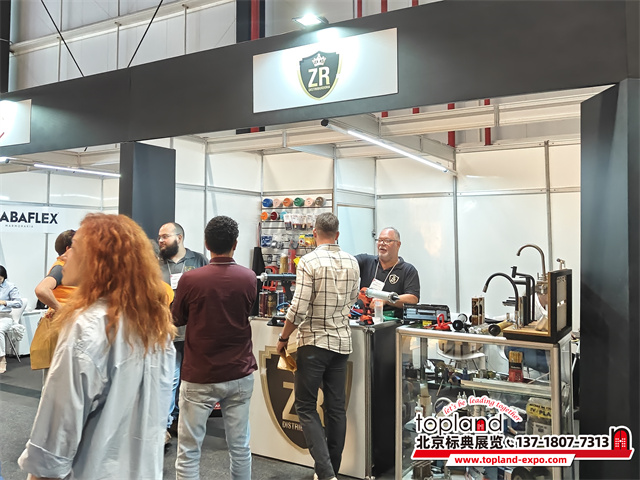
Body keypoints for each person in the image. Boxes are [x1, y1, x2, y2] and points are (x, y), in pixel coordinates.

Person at [18, 213, 176, 480]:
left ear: (97, 260)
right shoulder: (156, 329)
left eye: (74, 247)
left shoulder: (86, 328)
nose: (65, 255)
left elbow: (54, 443)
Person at [172, 215, 257, 480]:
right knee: (240, 447)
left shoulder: (190, 280)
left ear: (206, 244)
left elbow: (177, 318)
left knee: (188, 450)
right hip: (239, 372)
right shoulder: (249, 277)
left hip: (200, 373)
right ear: (235, 244)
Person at [276, 212, 360, 480]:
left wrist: (283, 338)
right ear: (337, 234)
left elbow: (298, 307)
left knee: (305, 406)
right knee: (335, 409)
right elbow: (353, 300)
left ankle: (325, 473)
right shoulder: (353, 261)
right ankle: (330, 470)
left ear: (314, 233)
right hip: (341, 343)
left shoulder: (309, 261)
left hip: (313, 342)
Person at [158, 221, 208, 443]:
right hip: (166, 332)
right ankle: (164, 426)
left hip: (194, 332)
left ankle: (183, 421)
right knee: (171, 378)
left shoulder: (198, 260)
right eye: (159, 237)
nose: (161, 240)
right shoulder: (155, 264)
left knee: (192, 380)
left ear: (179, 238)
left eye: (165, 236)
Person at [32, 230, 77, 377]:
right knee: (57, 375)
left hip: (69, 325)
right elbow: (41, 290)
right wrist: (61, 309)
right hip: (63, 325)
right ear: (68, 249)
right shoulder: (61, 267)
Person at [356, 227, 420, 318]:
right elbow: (347, 262)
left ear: (398, 244)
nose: (382, 244)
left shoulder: (408, 270)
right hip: (365, 319)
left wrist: (386, 299)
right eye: (380, 240)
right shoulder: (366, 261)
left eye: (387, 241)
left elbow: (413, 299)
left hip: (393, 322)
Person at [0, 265, 24, 374]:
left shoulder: (10, 287)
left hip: (5, 316)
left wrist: (5, 302)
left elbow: (19, 303)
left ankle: (2, 359)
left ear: (4, 277)